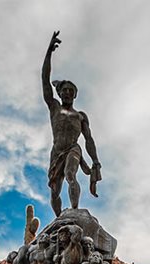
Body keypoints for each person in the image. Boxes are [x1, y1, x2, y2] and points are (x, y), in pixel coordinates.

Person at [42, 31, 102, 216]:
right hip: (56, 151)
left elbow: (89, 139)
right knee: (55, 191)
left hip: (73, 149)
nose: (67, 93)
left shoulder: (80, 116)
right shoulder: (54, 108)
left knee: (70, 174)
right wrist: (49, 53)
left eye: (71, 90)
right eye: (65, 90)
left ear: (75, 94)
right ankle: (60, 218)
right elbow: (45, 78)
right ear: (60, 93)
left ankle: (75, 211)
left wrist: (95, 162)